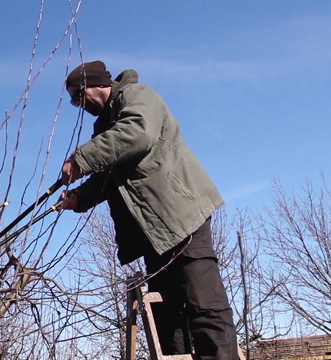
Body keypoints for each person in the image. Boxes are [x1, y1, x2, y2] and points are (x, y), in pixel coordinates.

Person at [58, 60, 238, 359]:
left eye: (78, 95)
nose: (77, 104)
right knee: (165, 314)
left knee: (204, 304)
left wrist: (80, 158)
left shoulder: (137, 95)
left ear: (94, 84)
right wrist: (79, 198)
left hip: (181, 216)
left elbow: (139, 133)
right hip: (151, 231)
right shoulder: (104, 125)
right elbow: (107, 177)